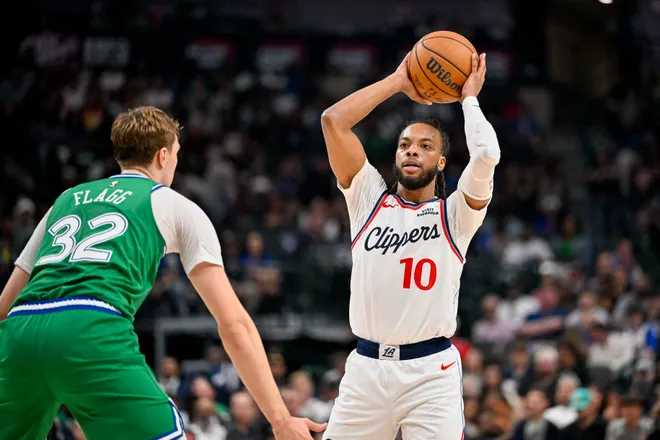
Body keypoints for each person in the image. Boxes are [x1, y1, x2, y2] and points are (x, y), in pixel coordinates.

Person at [0, 106, 324, 440]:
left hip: (20, 332)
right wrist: (281, 419)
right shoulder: (171, 203)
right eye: (177, 154)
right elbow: (234, 324)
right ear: (163, 154)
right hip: (89, 327)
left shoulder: (65, 200)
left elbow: (5, 305)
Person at [320, 51, 499, 439]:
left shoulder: (455, 215)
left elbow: (486, 154)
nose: (412, 150)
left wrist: (469, 98)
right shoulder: (368, 199)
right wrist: (399, 80)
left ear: (441, 162)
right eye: (404, 144)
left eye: (425, 145)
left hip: (430, 374)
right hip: (366, 369)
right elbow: (333, 121)